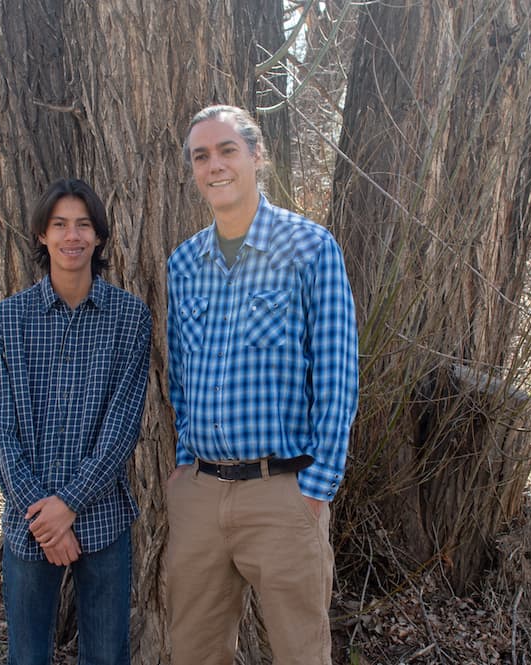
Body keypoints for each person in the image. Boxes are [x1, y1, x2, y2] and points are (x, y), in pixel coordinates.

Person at [165, 105, 359, 665]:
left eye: (227, 150)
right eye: (202, 156)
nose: (214, 165)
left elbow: (338, 373)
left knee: (301, 653)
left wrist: (317, 487)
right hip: (199, 494)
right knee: (195, 654)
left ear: (256, 156)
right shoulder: (184, 263)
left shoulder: (309, 247)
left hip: (283, 492)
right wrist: (183, 466)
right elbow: (180, 372)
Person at [0, 177, 152, 665]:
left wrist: (70, 505)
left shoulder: (129, 318)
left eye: (83, 225)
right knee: (27, 657)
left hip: (101, 519)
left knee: (105, 655)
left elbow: (123, 427)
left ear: (98, 236)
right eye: (59, 224)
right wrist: (45, 516)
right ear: (42, 235)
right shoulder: (10, 319)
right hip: (28, 521)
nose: (71, 236)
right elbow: (0, 431)